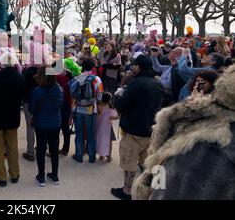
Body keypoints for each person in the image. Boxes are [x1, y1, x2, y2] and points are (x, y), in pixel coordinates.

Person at [133, 64, 235, 199]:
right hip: (162, 173)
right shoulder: (194, 110)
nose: (199, 84)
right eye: (197, 81)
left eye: (203, 82)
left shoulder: (213, 140)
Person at [111, 55, 164, 200]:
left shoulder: (136, 82)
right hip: (150, 129)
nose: (132, 67)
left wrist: (118, 96)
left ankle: (126, 191)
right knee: (146, 162)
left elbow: (121, 105)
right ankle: (148, 190)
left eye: (134, 65)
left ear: (138, 67)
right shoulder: (157, 83)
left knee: (129, 161)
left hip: (134, 129)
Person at [0, 53, 26, 187]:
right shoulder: (20, 78)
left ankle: (1, 176)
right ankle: (14, 174)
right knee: (12, 147)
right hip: (13, 116)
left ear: (1, 64)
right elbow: (22, 96)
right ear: (14, 63)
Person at [29, 65, 63, 187]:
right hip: (55, 123)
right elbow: (60, 104)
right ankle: (55, 175)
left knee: (41, 150)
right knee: (54, 150)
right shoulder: (59, 89)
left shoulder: (37, 91)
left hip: (41, 124)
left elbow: (32, 109)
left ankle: (41, 176)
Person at [68, 58, 104, 164]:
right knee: (90, 134)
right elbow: (100, 95)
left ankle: (79, 155)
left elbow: (72, 93)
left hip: (78, 109)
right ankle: (92, 157)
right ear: (93, 67)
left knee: (79, 134)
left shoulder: (76, 78)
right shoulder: (96, 79)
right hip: (91, 110)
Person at [95, 92, 120, 162]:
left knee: (100, 141)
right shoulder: (109, 108)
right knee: (109, 142)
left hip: (99, 128)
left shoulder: (99, 106)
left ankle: (101, 156)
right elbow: (114, 117)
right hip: (108, 129)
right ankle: (109, 156)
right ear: (109, 100)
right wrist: (120, 116)